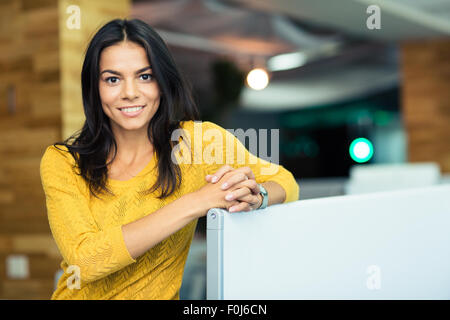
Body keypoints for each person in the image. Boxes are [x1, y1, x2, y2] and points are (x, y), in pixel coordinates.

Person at [39, 18, 299, 300]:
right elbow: (85, 261)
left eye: (145, 76)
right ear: (94, 87)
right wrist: (195, 202)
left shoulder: (199, 144)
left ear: (162, 82)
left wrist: (256, 195)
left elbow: (285, 181)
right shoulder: (63, 162)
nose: (129, 92)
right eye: (112, 79)